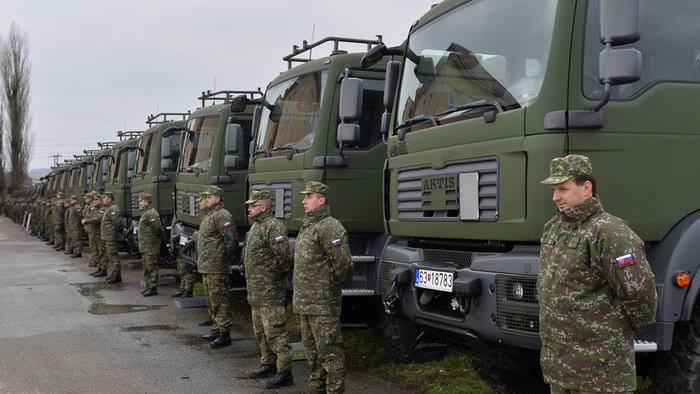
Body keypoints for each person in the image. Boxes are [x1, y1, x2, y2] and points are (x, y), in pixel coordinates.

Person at [537, 154, 658, 393]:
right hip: (561, 367)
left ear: (586, 187)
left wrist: (623, 332)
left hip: (601, 370)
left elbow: (639, 291)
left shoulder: (609, 231)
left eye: (563, 188)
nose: (556, 197)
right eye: (553, 190)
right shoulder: (554, 228)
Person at [293, 181, 352, 394]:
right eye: (305, 196)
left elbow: (343, 263)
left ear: (321, 200)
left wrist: (328, 287)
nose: (304, 200)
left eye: (309, 197)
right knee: (312, 350)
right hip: (305, 302)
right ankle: (318, 385)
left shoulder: (330, 226)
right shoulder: (308, 225)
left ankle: (335, 390)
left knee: (329, 350)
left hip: (322, 301)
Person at [242, 190, 294, 389]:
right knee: (261, 332)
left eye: (253, 205)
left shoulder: (273, 226)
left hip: (270, 290)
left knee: (275, 332)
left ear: (264, 206)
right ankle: (268, 363)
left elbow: (285, 257)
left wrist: (276, 277)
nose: (249, 209)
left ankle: (285, 371)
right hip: (256, 291)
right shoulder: (256, 226)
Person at [196, 186, 239, 348]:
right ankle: (216, 328)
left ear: (219, 198)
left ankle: (224, 333)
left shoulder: (222, 215)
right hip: (207, 265)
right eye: (205, 197)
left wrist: (223, 258)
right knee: (212, 300)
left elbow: (231, 241)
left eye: (210, 197)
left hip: (217, 266)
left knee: (220, 301)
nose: (206, 199)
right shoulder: (209, 215)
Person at [137, 193, 163, 297]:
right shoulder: (145, 213)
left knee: (152, 267)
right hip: (145, 246)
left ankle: (153, 287)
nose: (139, 203)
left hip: (150, 245)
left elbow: (157, 229)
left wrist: (154, 240)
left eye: (141, 201)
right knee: (146, 267)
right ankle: (148, 285)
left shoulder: (152, 213)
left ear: (147, 202)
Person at [100, 191, 124, 283]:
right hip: (108, 237)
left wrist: (116, 232)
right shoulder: (108, 208)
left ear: (110, 199)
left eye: (104, 198)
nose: (103, 200)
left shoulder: (114, 208)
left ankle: (117, 275)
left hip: (112, 237)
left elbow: (117, 223)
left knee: (113, 256)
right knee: (111, 256)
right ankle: (113, 273)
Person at [170, 213, 194, 298]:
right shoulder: (176, 212)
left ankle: (188, 290)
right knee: (180, 268)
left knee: (185, 268)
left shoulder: (181, 212)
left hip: (183, 241)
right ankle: (182, 288)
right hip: (178, 242)